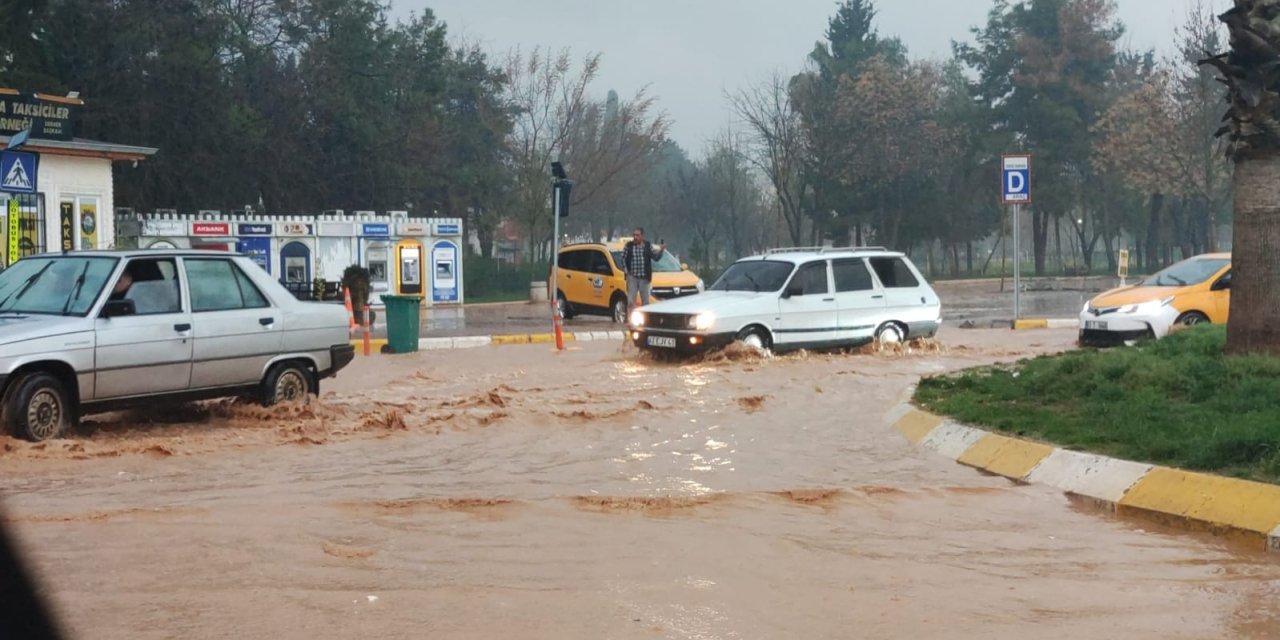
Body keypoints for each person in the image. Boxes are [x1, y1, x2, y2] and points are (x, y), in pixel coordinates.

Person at [620, 227, 665, 312]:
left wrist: (661, 250)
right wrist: (626, 271)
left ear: (642, 236)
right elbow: (622, 259)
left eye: (637, 235)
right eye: (634, 235)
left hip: (644, 278)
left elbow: (655, 257)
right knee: (630, 301)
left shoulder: (647, 245)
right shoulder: (629, 246)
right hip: (632, 277)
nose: (635, 237)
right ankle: (631, 320)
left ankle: (645, 320)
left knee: (646, 302)